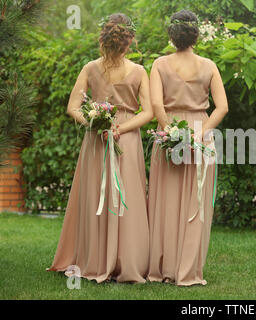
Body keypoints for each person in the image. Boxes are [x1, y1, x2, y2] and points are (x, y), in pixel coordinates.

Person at [47, 13, 153, 283]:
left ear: (103, 40)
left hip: (98, 139)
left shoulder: (89, 68)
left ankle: (94, 259)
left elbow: (73, 108)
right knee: (125, 197)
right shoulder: (139, 71)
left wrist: (94, 122)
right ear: (129, 42)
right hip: (124, 138)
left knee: (96, 196)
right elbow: (148, 112)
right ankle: (125, 262)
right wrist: (118, 128)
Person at [147, 9, 228, 286]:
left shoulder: (159, 64)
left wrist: (170, 130)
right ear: (196, 34)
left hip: (168, 131)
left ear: (172, 35)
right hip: (200, 135)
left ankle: (163, 268)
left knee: (165, 202)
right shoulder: (209, 65)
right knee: (196, 203)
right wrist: (198, 135)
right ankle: (189, 270)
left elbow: (157, 105)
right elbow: (222, 107)